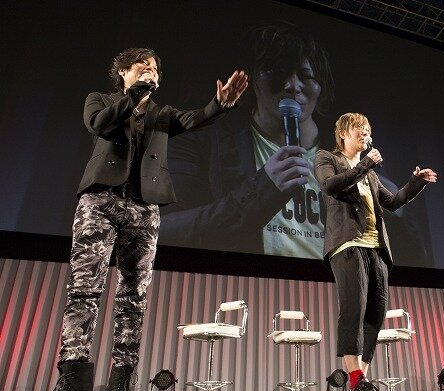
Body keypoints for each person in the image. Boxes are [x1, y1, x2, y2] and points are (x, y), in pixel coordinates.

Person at [43, 48, 248, 391]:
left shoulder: (161, 115)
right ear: (124, 72)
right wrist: (134, 94)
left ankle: (120, 387)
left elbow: (196, 118)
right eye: (144, 68)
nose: (152, 73)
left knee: (133, 299)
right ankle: (74, 383)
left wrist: (220, 104)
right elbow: (98, 124)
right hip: (100, 202)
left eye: (155, 70)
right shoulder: (102, 100)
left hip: (143, 208)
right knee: (84, 291)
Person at [159, 22, 428, 266]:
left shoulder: (350, 156)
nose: (291, 85)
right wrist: (263, 188)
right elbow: (165, 229)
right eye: (276, 69)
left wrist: (395, 215)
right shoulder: (203, 142)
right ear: (253, 78)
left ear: (321, 87)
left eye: (305, 75)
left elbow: (410, 254)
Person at [315, 112, 437, 391]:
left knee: (375, 315)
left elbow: (392, 202)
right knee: (353, 311)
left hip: (377, 250)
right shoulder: (326, 157)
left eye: (368, 129)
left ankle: (360, 388)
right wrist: (366, 164)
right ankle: (357, 384)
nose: (366, 133)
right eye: (360, 128)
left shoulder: (370, 174)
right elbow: (330, 186)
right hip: (347, 246)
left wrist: (415, 183)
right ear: (343, 133)